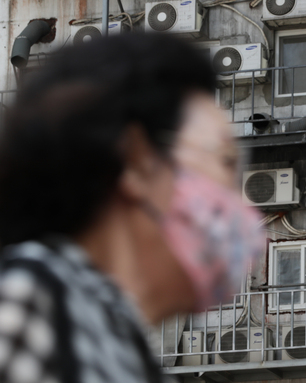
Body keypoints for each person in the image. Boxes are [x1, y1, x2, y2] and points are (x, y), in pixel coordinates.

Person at [0, 33, 263, 383]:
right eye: (226, 162)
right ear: (138, 162)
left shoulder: (112, 339)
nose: (243, 205)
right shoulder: (29, 304)